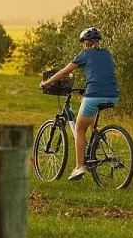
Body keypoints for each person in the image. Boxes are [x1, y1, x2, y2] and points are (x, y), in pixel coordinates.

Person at [41, 26, 119, 181]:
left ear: (85, 43)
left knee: (79, 129)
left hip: (94, 95)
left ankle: (79, 167)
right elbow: (101, 73)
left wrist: (47, 83)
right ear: (97, 42)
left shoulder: (85, 54)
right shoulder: (107, 54)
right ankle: (97, 138)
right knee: (88, 107)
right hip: (113, 95)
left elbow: (64, 72)